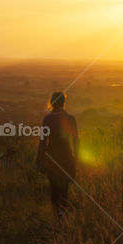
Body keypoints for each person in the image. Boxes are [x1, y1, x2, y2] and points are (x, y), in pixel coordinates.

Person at [35, 91, 79, 221]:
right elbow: (76, 140)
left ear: (52, 103)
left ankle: (56, 217)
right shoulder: (71, 119)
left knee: (54, 188)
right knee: (64, 188)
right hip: (67, 156)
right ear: (64, 103)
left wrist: (39, 159)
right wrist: (76, 158)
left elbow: (43, 141)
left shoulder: (47, 119)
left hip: (51, 157)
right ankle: (62, 214)